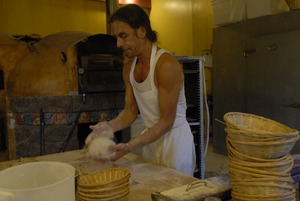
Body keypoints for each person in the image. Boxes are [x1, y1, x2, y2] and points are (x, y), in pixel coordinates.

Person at [86, 4, 196, 176]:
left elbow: (167, 120)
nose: (119, 44)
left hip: (174, 143)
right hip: (150, 141)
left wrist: (131, 146)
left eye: (123, 36)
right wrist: (109, 127)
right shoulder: (129, 67)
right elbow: (130, 111)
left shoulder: (166, 65)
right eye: (117, 37)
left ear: (142, 31)